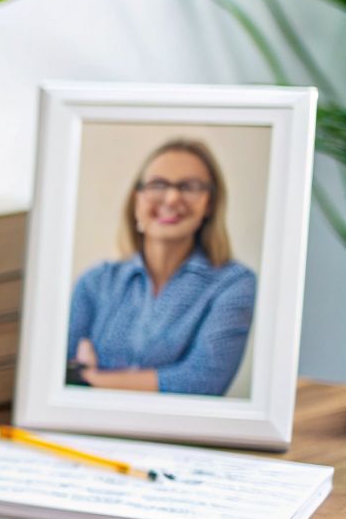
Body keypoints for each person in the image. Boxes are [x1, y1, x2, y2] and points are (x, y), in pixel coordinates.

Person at [66, 138, 256, 396]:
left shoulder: (234, 284)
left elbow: (202, 382)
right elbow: (56, 374)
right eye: (158, 184)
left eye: (189, 187)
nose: (172, 197)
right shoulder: (95, 281)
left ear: (209, 203)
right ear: (137, 200)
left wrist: (90, 377)